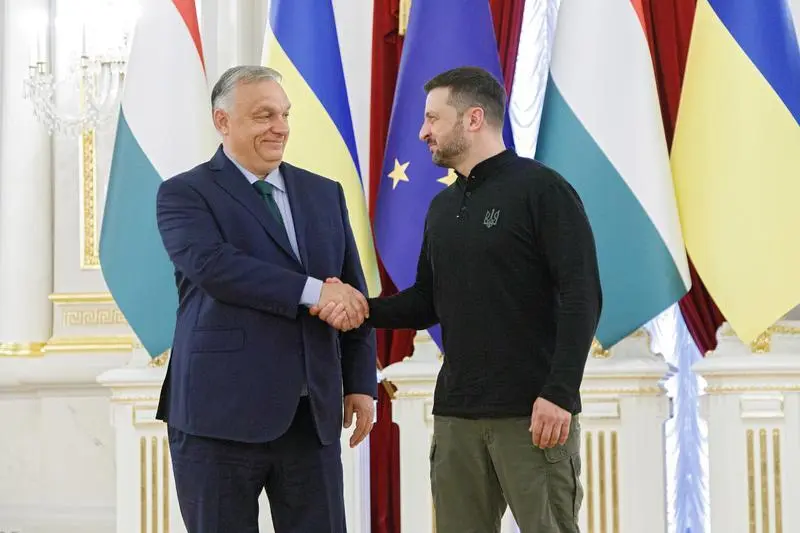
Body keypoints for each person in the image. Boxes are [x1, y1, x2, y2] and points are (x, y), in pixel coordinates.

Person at [314, 66, 602, 533]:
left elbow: (582, 295)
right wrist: (357, 307)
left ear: (472, 119)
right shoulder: (442, 208)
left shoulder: (543, 191)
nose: (423, 132)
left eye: (433, 118)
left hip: (534, 414)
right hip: (456, 417)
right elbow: (427, 302)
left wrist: (559, 393)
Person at [154, 65, 377, 533]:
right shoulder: (183, 193)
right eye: (263, 116)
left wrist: (360, 382)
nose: (279, 127)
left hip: (310, 417)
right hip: (218, 419)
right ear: (222, 121)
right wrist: (315, 292)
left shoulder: (324, 193)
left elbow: (351, 293)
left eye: (283, 114)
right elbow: (216, 268)